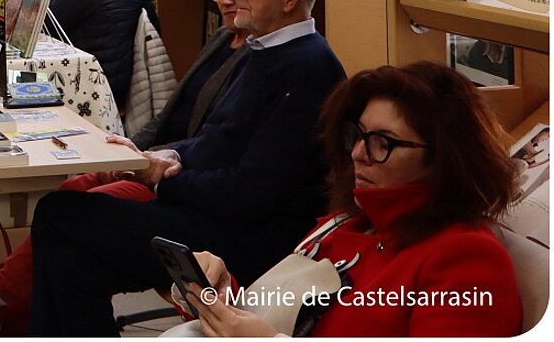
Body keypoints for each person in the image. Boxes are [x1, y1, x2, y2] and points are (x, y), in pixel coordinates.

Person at [28, 0, 347, 336]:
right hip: (210, 216)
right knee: (69, 263)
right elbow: (216, 138)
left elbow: (254, 191)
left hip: (249, 242)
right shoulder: (264, 51)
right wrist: (165, 157)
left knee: (58, 212)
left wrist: (163, 182)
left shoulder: (307, 67)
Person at [0, 0, 252, 334]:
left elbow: (215, 151)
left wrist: (153, 163)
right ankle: (4, 293)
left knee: (64, 211)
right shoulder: (223, 42)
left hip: (180, 184)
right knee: (76, 189)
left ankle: (0, 295)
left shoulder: (257, 57)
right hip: (167, 162)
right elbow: (172, 116)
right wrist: (138, 147)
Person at [180, 61, 521, 337]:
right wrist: (223, 296)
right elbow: (288, 315)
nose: (358, 152)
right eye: (357, 135)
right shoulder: (348, 222)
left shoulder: (465, 258)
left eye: (382, 142)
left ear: (443, 159)